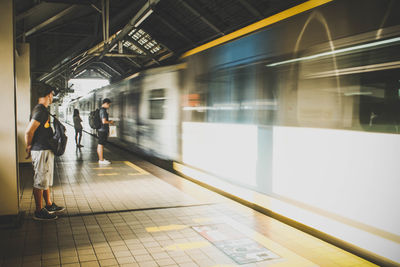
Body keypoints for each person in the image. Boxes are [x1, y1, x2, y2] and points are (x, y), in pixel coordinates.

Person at [25, 83, 65, 221]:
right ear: (49, 95)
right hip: (41, 150)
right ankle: (38, 211)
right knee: (40, 180)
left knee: (45, 179)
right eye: (52, 94)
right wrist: (29, 146)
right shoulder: (40, 111)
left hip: (44, 149)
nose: (52, 97)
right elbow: (29, 131)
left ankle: (48, 205)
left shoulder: (42, 109)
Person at [97, 98, 114, 165]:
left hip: (101, 130)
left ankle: (101, 159)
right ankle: (101, 160)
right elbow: (104, 121)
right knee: (101, 145)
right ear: (106, 103)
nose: (109, 106)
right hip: (103, 130)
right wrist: (110, 122)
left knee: (100, 145)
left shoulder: (100, 110)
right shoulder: (103, 111)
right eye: (109, 105)